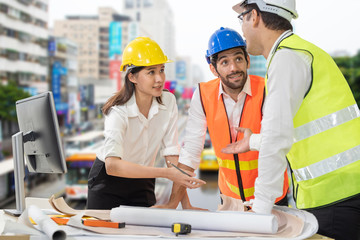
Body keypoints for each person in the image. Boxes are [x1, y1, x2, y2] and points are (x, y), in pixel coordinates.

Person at [222, 1, 360, 239]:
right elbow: (305, 129)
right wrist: (253, 142)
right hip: (342, 192)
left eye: (242, 18)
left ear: (254, 16)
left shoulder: (286, 59)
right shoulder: (299, 52)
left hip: (334, 198)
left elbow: (277, 138)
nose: (242, 29)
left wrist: (260, 211)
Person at [157, 27, 289, 210]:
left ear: (248, 60)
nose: (234, 67)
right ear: (213, 69)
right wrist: (173, 204)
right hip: (229, 201)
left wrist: (261, 205)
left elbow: (275, 148)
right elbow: (191, 153)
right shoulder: (203, 95)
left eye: (238, 58)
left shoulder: (267, 90)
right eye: (225, 62)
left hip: (272, 200)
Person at [86, 37, 205, 210]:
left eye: (162, 70)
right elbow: (112, 166)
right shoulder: (118, 111)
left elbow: (171, 154)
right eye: (151, 72)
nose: (159, 79)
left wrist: (184, 205)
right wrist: (166, 174)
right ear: (132, 76)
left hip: (143, 182)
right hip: (108, 183)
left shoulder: (168, 102)